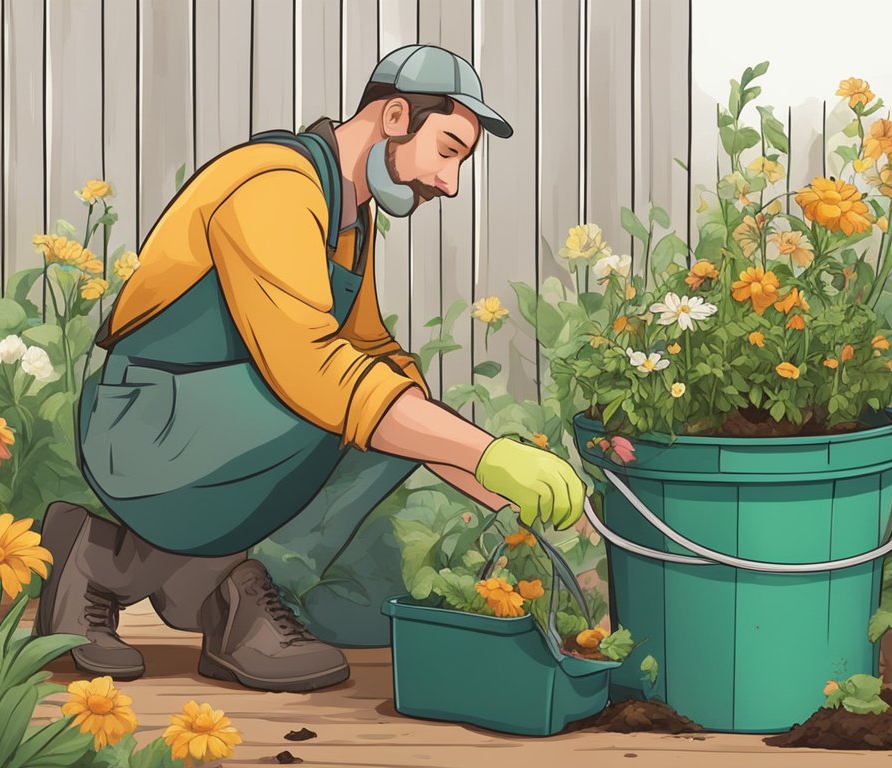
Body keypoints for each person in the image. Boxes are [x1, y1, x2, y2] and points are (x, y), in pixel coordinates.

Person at [33, 45, 586, 693]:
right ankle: (148, 574)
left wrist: (489, 483)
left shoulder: (348, 219)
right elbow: (312, 369)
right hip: (145, 419)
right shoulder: (275, 186)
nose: (450, 183)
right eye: (448, 150)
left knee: (396, 417)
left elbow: (377, 362)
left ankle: (188, 579)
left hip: (215, 417)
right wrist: (488, 450)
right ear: (396, 115)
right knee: (336, 406)